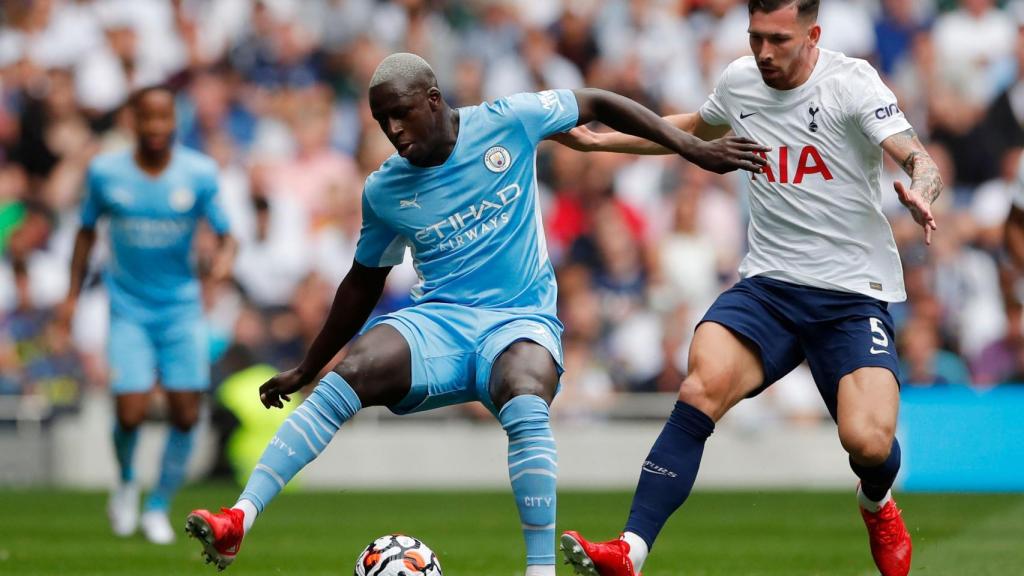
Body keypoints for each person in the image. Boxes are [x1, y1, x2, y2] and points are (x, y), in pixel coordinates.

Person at [183, 52, 768, 573]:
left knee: (525, 386)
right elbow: (362, 283)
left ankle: (539, 570)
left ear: (434, 100)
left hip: (520, 321)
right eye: (382, 120)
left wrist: (692, 148)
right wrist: (309, 367)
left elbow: (595, 101)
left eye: (401, 114)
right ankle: (239, 520)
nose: (393, 130)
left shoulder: (508, 120)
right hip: (438, 324)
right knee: (352, 371)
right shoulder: (384, 190)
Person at [554, 2, 942, 575]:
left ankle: (876, 501)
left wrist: (921, 191)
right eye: (755, 37)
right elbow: (691, 130)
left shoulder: (852, 83)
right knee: (700, 386)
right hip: (769, 287)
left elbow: (919, 158)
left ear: (813, 34)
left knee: (868, 443)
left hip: (850, 295)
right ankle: (631, 550)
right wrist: (601, 142)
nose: (763, 52)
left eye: (778, 39)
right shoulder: (740, 80)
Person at [58, 86, 236, 544]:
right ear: (132, 121)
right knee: (131, 411)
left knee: (185, 414)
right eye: (148, 118)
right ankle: (125, 484)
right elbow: (84, 233)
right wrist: (72, 294)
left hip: (181, 309)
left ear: (175, 121)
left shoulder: (198, 173)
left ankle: (158, 505)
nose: (157, 127)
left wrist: (222, 262)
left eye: (164, 118)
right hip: (128, 310)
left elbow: (226, 234)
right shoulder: (105, 173)